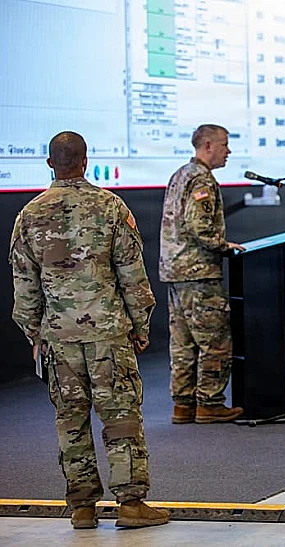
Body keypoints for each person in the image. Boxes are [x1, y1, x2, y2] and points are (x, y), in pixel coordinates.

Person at [9, 131, 170, 529]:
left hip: (59, 339)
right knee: (120, 416)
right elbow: (133, 275)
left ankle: (82, 507)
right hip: (108, 334)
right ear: (85, 160)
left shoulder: (29, 215)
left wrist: (34, 333)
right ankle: (131, 504)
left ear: (50, 164)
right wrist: (140, 326)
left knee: (70, 418)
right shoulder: (110, 207)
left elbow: (24, 284)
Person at [159, 124, 245, 425]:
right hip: (198, 272)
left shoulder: (180, 174)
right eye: (224, 144)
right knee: (215, 340)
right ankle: (209, 403)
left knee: (182, 343)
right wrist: (222, 245)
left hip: (176, 272)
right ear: (207, 145)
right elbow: (198, 225)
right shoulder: (200, 178)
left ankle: (183, 405)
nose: (228, 151)